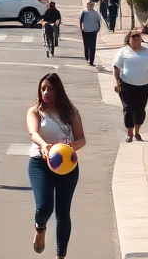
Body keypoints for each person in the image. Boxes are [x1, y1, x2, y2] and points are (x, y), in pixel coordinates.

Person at [26, 73, 86, 258]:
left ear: (58, 90)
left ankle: (61, 255)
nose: (45, 92)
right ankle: (40, 228)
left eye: (50, 89)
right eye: (43, 89)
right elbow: (33, 133)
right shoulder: (35, 111)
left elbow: (82, 139)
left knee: (63, 212)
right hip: (40, 163)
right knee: (44, 207)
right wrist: (45, 145)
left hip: (67, 165)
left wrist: (70, 147)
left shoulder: (71, 112)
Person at [112, 29, 148, 142]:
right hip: (126, 84)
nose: (137, 39)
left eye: (138, 37)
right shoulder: (123, 51)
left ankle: (137, 132)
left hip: (144, 85)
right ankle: (129, 133)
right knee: (128, 109)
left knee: (140, 109)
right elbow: (116, 68)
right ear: (129, 39)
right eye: (134, 37)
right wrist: (116, 82)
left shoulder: (147, 52)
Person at [78, 0, 102, 66]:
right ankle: (91, 60)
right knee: (92, 46)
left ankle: (87, 58)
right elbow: (99, 21)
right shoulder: (96, 14)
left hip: (86, 31)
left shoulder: (84, 12)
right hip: (93, 31)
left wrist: (81, 28)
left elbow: (80, 20)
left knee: (86, 45)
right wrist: (98, 29)